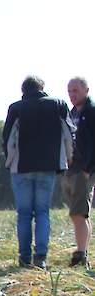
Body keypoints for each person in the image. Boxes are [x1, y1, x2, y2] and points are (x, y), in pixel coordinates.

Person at [2, 75, 73, 269]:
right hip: (48, 167)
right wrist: (68, 161)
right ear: (42, 87)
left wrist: (9, 161)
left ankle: (24, 257)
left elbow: (8, 139)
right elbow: (69, 134)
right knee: (42, 212)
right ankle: (40, 257)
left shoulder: (16, 108)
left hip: (21, 168)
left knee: (24, 213)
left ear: (23, 90)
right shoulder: (58, 104)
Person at [64, 77, 95, 268]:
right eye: (69, 91)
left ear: (86, 90)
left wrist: (87, 168)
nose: (72, 95)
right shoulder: (73, 112)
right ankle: (82, 251)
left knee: (79, 213)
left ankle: (81, 255)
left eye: (75, 90)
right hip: (73, 168)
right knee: (79, 214)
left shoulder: (91, 112)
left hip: (85, 170)